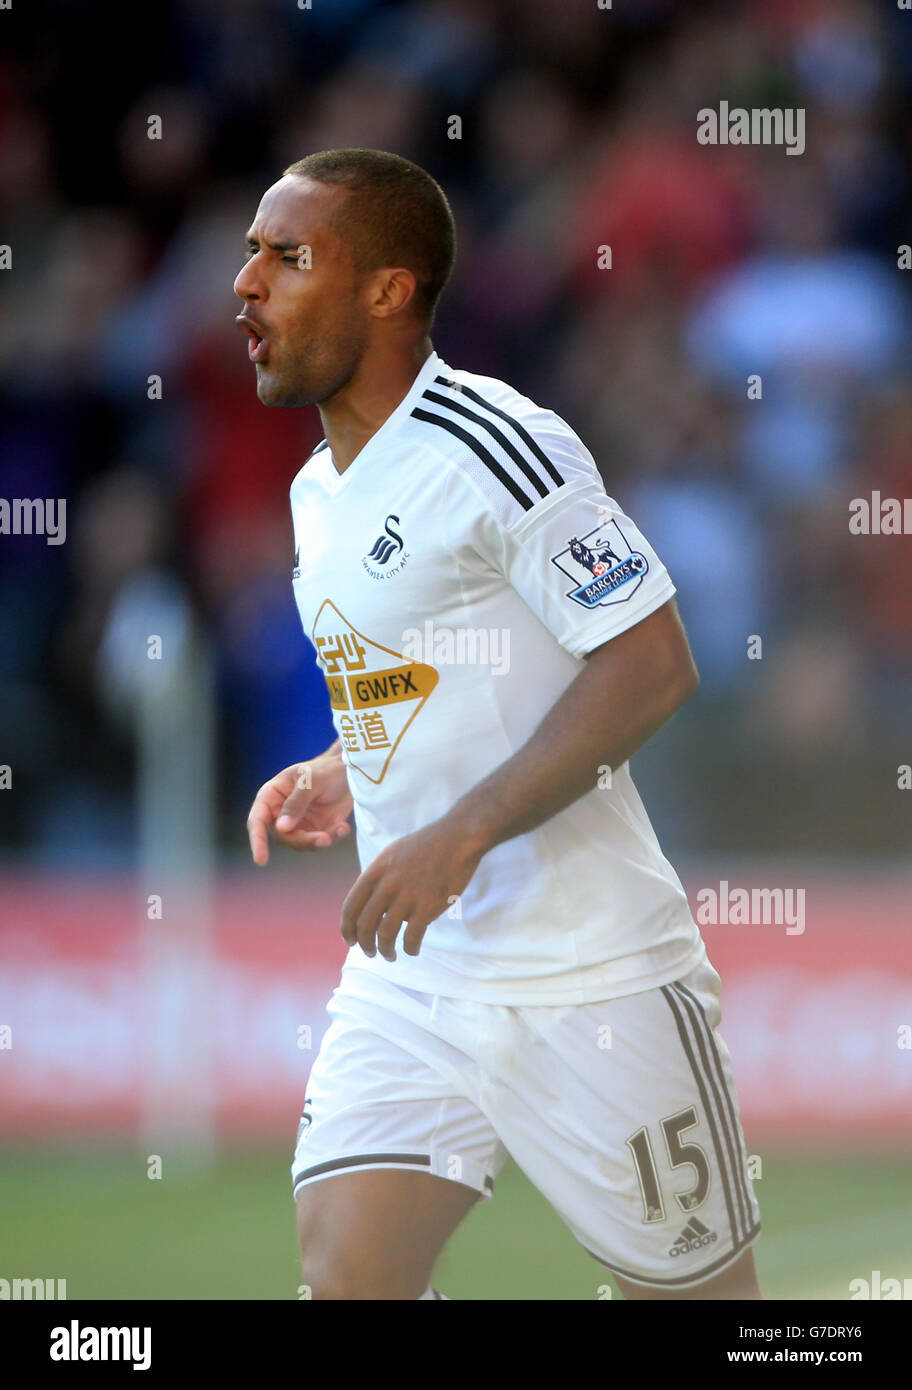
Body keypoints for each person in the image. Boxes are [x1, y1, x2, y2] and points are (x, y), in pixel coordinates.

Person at [237, 149, 761, 1301]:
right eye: (250, 253)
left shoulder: (494, 443)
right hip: (415, 977)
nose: (246, 284)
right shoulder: (315, 489)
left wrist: (461, 832)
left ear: (387, 288)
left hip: (594, 970)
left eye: (286, 254)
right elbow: (445, 671)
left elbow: (651, 663)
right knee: (348, 1277)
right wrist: (346, 764)